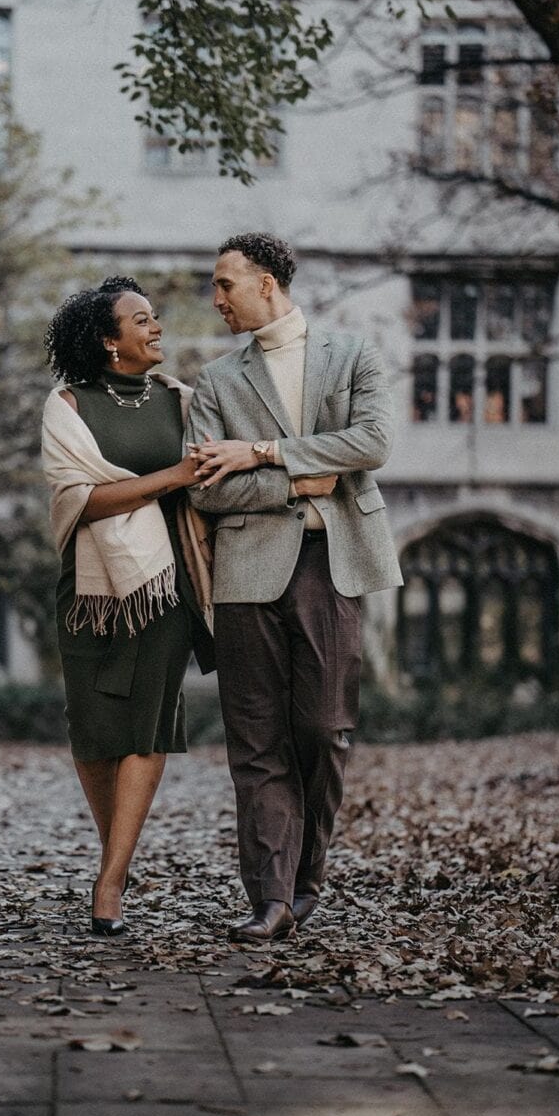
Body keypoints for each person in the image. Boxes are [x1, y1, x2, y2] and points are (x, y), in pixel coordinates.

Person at [186, 233, 403, 943]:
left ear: (268, 283)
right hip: (246, 571)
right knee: (255, 739)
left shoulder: (353, 354)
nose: (216, 299)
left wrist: (262, 452)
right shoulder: (216, 381)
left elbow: (370, 442)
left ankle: (310, 874)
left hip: (332, 565)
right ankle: (270, 898)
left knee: (321, 728)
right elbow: (209, 494)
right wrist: (298, 479)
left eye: (225, 285)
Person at [41, 277, 214, 937]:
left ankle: (110, 880)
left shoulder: (184, 402)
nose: (157, 327)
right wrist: (171, 478)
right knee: (91, 729)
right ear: (109, 341)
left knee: (146, 726)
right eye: (142, 319)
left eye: (155, 316)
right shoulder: (68, 407)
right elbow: (78, 499)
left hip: (165, 585)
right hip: (89, 589)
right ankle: (116, 849)